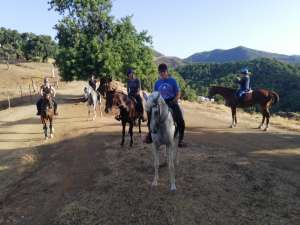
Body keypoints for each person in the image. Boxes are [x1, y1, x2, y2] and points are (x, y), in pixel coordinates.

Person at [144, 63, 186, 148]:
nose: (162, 74)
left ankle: (181, 140)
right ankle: (150, 135)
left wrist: (174, 101)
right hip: (160, 103)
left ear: (167, 71)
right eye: (160, 72)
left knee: (181, 120)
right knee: (151, 116)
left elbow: (178, 93)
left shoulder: (173, 81)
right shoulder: (157, 83)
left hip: (171, 101)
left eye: (163, 72)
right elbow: (155, 94)